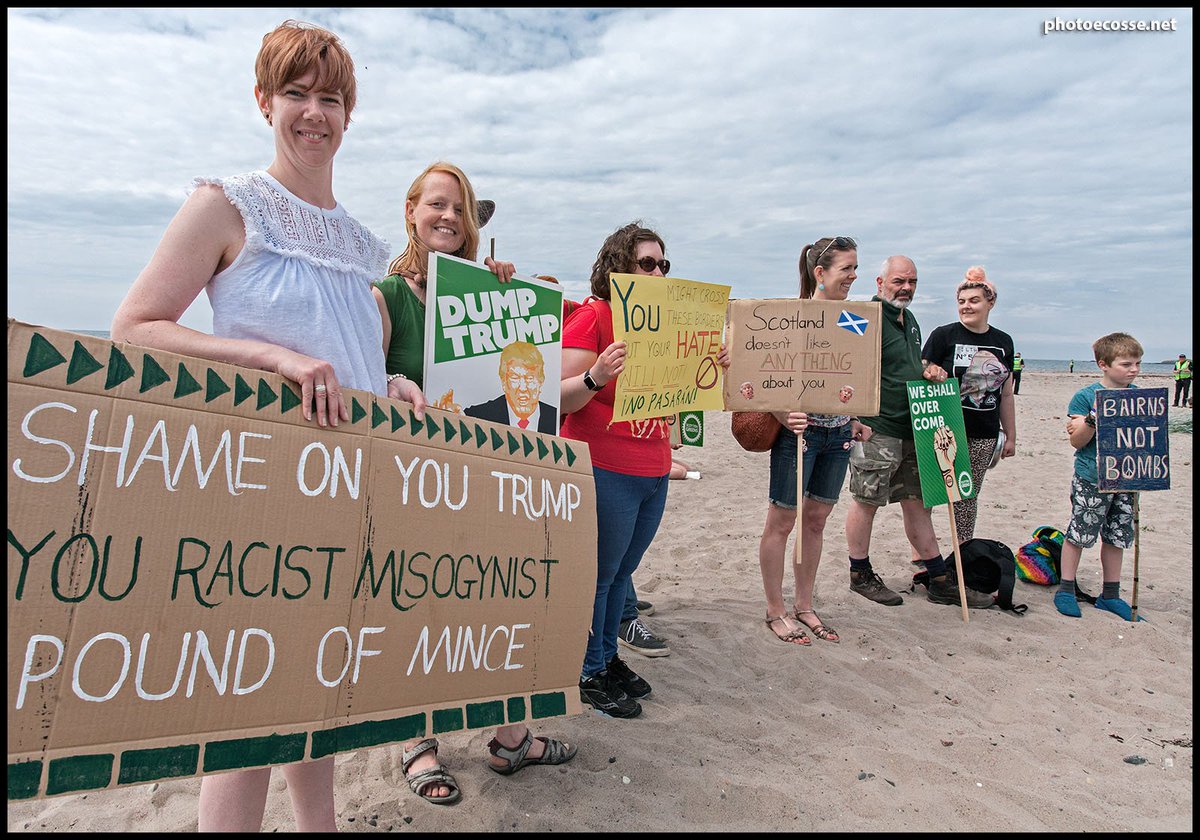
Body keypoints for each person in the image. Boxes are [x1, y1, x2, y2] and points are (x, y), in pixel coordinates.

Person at [110, 19, 431, 830]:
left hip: (351, 490)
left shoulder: (359, 244)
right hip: (259, 494)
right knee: (247, 716)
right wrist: (267, 359)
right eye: (296, 93)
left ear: (349, 115)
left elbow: (346, 352)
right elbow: (136, 328)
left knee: (318, 685)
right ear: (265, 102)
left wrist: (387, 382)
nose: (313, 112)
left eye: (330, 97)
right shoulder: (226, 205)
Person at [371, 162, 575, 804]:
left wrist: (523, 306)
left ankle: (513, 740)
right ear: (411, 210)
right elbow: (360, 381)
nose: (449, 218)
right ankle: (417, 741)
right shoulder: (387, 296)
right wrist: (392, 388)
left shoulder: (488, 293)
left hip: (491, 481)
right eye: (437, 205)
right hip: (416, 482)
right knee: (420, 607)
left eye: (460, 209)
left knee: (506, 600)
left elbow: (527, 386)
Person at [560, 221, 676, 718]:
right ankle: (588, 669)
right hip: (604, 464)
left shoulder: (664, 324)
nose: (657, 271)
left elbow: (677, 398)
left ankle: (607, 659)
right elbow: (557, 396)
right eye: (646, 262)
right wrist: (597, 374)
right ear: (619, 265)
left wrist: (705, 368)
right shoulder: (594, 317)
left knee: (623, 573)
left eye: (663, 264)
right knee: (601, 577)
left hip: (653, 465)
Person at [843, 256, 994, 609]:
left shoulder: (908, 320)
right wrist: (850, 416)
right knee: (867, 501)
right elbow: (843, 361)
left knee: (918, 504)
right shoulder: (863, 316)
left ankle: (938, 578)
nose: (906, 287)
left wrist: (928, 369)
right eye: (899, 281)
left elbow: (907, 364)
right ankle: (859, 573)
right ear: (880, 283)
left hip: (914, 427)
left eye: (912, 281)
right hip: (876, 427)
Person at [921, 265, 1017, 546]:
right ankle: (924, 555)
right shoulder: (944, 335)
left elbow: (1006, 394)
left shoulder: (1002, 342)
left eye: (974, 301)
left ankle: (963, 555)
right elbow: (924, 369)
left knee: (967, 494)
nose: (966, 306)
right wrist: (930, 371)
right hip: (942, 429)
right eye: (961, 302)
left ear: (991, 303)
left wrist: (1010, 434)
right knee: (930, 494)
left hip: (983, 433)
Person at [1054, 333, 1146, 621]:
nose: (1134, 370)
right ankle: (1066, 589)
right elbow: (1077, 441)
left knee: (1117, 536)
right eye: (1126, 364)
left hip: (1127, 479)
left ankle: (1110, 594)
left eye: (1138, 364)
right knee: (1080, 532)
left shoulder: (1139, 396)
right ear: (1103, 365)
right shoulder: (1085, 397)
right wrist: (1093, 418)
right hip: (1091, 476)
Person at [464, 340, 558, 432]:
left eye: (529, 378)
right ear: (504, 382)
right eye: (515, 378)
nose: (523, 388)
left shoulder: (556, 418)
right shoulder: (477, 416)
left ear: (541, 381)